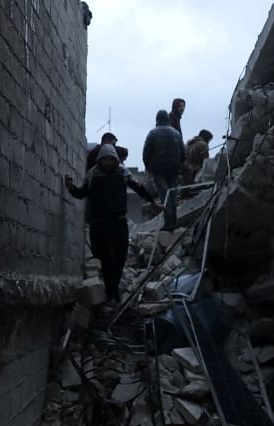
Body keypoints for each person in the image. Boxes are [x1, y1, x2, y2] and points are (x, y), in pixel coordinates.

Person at [65, 144, 161, 303]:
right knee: (107, 259)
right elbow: (81, 193)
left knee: (120, 258)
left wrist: (152, 202)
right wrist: (71, 188)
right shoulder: (93, 175)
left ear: (115, 160)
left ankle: (113, 292)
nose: (108, 163)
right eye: (105, 160)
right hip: (99, 225)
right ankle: (112, 295)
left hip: (119, 223)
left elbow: (139, 188)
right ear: (100, 161)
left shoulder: (123, 173)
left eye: (111, 160)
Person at [142, 109, 185, 231]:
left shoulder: (152, 133)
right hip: (174, 169)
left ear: (157, 119)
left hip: (158, 170)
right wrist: (179, 165)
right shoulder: (176, 133)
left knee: (164, 195)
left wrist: (149, 168)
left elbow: (146, 153)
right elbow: (183, 152)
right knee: (173, 195)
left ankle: (168, 223)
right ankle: (174, 221)